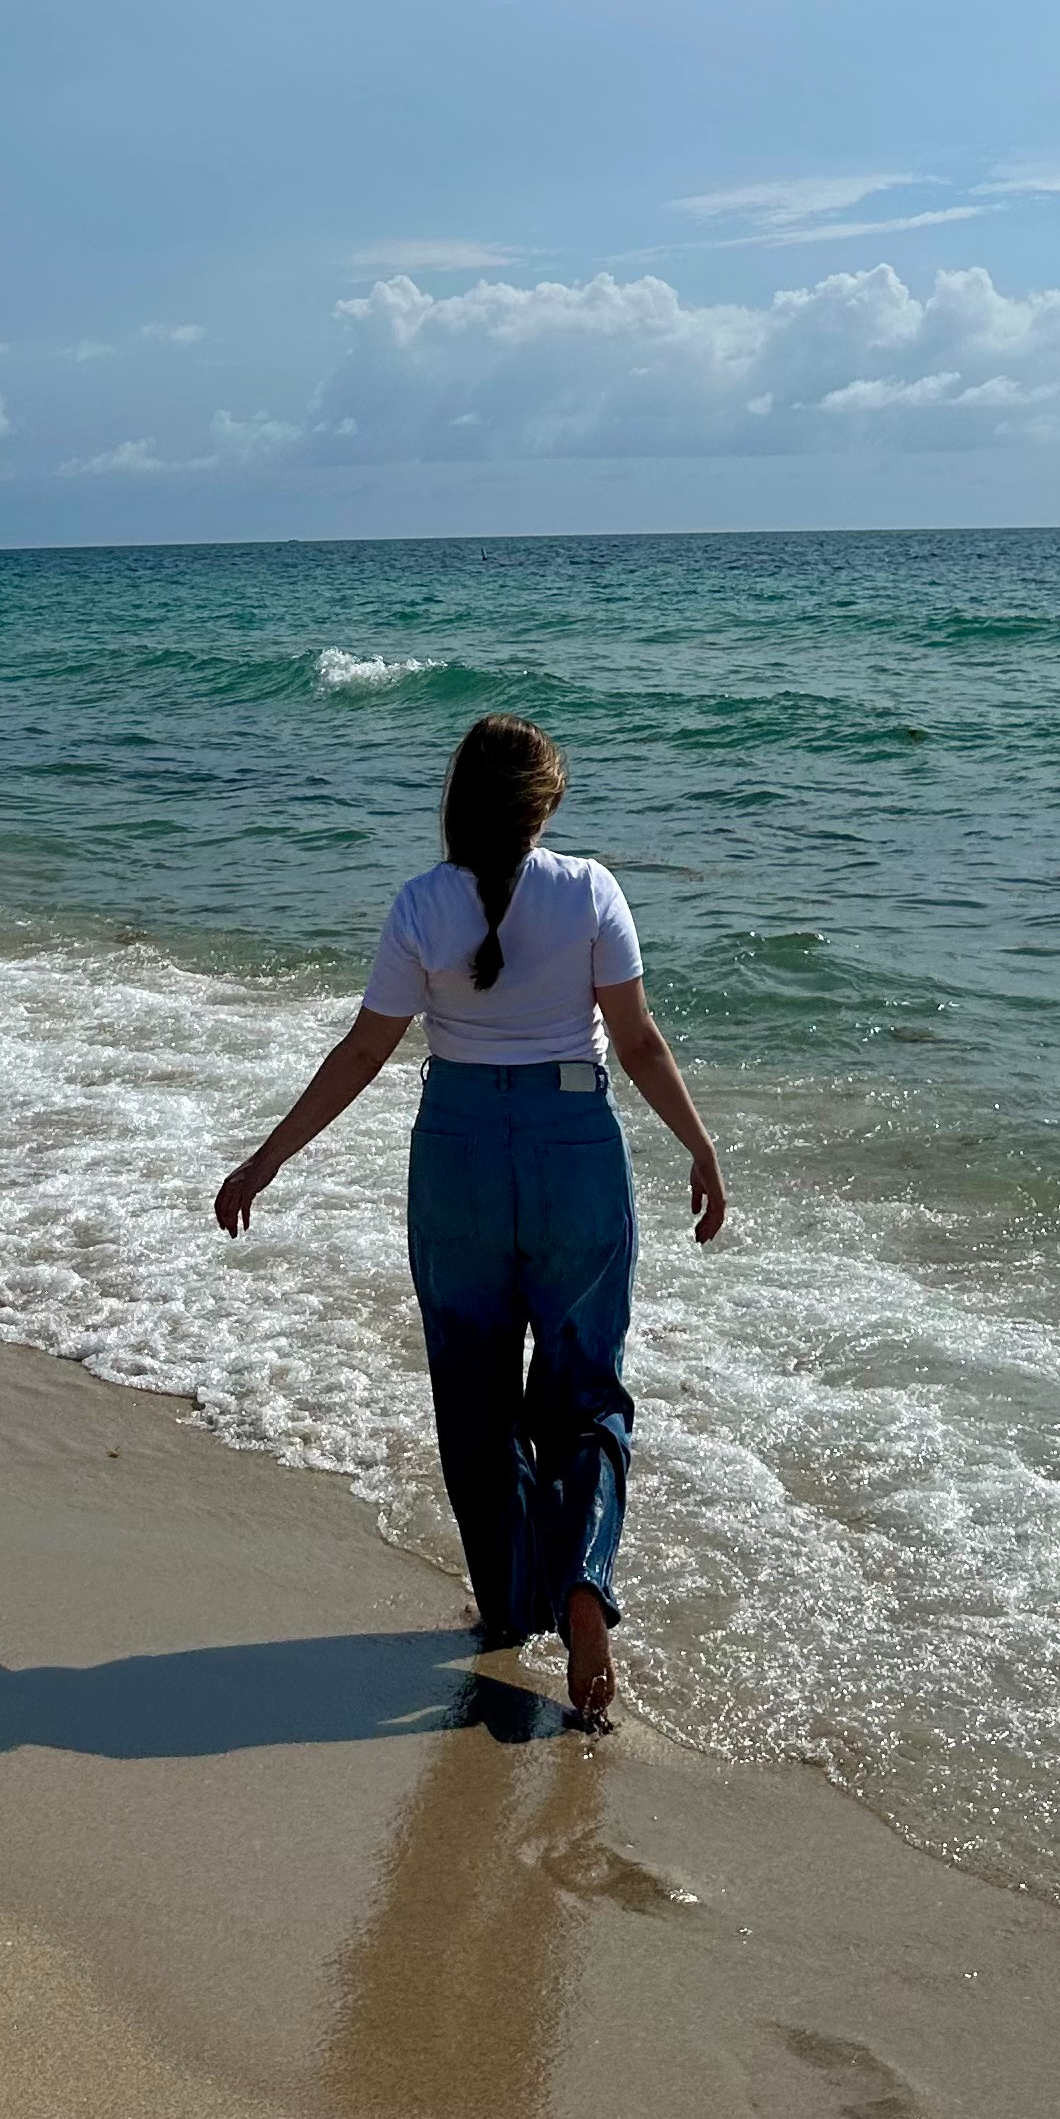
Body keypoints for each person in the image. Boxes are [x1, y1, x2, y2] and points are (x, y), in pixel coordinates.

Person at [214, 714, 726, 1729]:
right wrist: (701, 1147)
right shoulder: (589, 891)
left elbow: (364, 1053)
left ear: (459, 799)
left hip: (455, 1155)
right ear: (547, 805)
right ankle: (583, 1581)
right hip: (574, 1141)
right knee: (584, 1394)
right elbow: (638, 1042)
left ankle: (509, 1615)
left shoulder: (420, 905)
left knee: (476, 1403)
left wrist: (266, 1158)